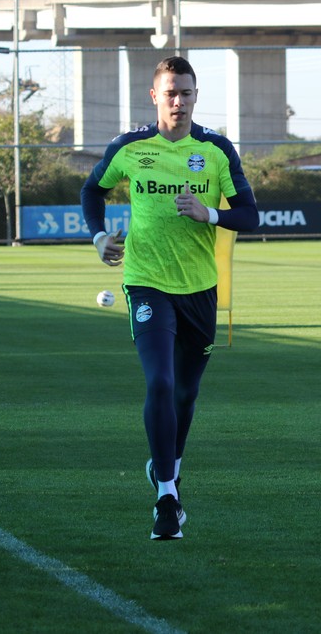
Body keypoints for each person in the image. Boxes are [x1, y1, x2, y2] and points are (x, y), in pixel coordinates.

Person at [80, 56, 259, 540]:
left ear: (196, 97)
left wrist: (210, 215)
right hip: (146, 282)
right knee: (159, 382)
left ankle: (169, 466)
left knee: (186, 393)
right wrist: (99, 237)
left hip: (200, 288)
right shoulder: (131, 147)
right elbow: (91, 190)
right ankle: (166, 497)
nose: (179, 101)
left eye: (187, 92)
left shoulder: (217, 150)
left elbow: (249, 216)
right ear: (155, 96)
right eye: (171, 93)